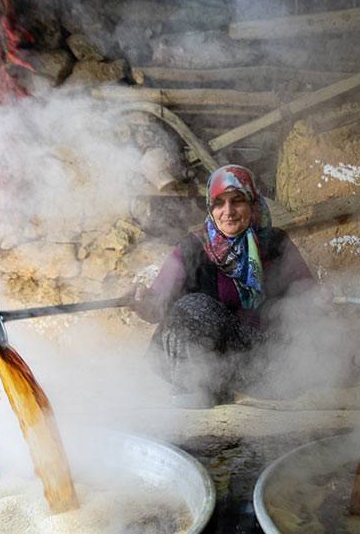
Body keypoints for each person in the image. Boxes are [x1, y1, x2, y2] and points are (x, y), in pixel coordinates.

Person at [131, 164, 319, 408]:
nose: (228, 211)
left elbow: (307, 295)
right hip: (203, 363)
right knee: (194, 307)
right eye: (219, 203)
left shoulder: (275, 243)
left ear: (253, 203)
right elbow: (157, 303)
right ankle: (200, 388)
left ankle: (248, 386)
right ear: (211, 208)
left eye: (237, 201)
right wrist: (142, 302)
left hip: (260, 356)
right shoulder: (193, 246)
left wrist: (320, 301)